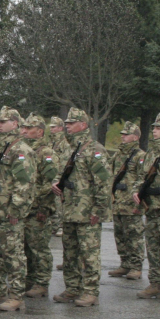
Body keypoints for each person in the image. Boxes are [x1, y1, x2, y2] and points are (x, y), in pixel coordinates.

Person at [0, 107, 36, 312]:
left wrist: (16, 208)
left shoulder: (21, 149)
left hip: (9, 210)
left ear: (15, 124)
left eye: (3, 122)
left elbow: (25, 182)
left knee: (13, 254)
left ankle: (17, 295)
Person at [52, 107, 111, 307]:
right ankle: (72, 288)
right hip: (69, 209)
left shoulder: (94, 150)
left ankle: (90, 291)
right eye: (66, 123)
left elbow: (103, 183)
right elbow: (61, 173)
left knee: (89, 253)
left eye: (71, 123)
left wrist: (98, 210)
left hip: (87, 212)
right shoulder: (70, 149)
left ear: (83, 125)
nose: (67, 126)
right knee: (70, 253)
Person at [21, 113, 59, 299]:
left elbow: (51, 183)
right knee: (26, 247)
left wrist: (43, 206)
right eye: (24, 128)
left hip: (38, 208)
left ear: (40, 132)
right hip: (24, 208)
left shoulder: (46, 152)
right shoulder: (23, 150)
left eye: (29, 128)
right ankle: (29, 279)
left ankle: (42, 282)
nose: (25, 131)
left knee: (39, 248)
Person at [133, 112, 160, 301]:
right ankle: (156, 283)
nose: (154, 131)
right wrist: (136, 190)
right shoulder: (151, 153)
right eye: (153, 127)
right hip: (152, 208)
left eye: (159, 128)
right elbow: (141, 176)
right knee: (153, 248)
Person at [109, 121, 146, 280]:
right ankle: (124, 263)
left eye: (126, 134)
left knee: (134, 235)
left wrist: (138, 199)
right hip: (118, 202)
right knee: (120, 234)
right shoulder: (118, 154)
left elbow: (143, 177)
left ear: (135, 137)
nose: (123, 137)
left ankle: (136, 266)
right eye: (122, 134)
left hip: (131, 202)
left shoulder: (140, 156)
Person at [49, 116, 70, 242]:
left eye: (54, 127)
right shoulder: (52, 142)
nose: (51, 129)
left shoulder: (64, 143)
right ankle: (54, 224)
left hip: (59, 174)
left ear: (60, 128)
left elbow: (64, 159)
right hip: (51, 174)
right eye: (50, 127)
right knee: (51, 201)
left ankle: (61, 225)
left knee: (59, 201)